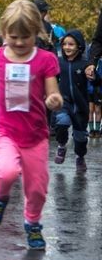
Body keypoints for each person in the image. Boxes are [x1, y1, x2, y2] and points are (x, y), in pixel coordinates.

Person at [0, 0, 62, 250]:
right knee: (6, 171)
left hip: (35, 133)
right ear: (4, 33)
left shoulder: (45, 60)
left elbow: (52, 90)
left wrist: (54, 99)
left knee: (37, 189)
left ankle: (32, 223)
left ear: (37, 32)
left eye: (26, 36)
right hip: (5, 129)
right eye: (13, 36)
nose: (20, 42)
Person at [54, 30, 89, 172]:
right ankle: (62, 146)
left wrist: (94, 77)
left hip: (81, 107)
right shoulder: (58, 62)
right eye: (65, 44)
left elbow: (96, 82)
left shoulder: (85, 64)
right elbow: (51, 78)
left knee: (80, 139)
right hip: (64, 102)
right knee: (62, 122)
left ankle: (80, 156)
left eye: (71, 44)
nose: (67, 47)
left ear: (79, 46)